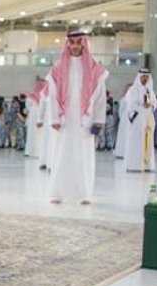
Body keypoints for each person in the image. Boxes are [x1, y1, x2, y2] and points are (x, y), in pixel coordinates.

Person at [45, 30, 109, 203]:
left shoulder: (95, 69)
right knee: (61, 154)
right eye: (72, 43)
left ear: (84, 44)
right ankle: (57, 193)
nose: (75, 46)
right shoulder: (58, 68)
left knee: (84, 156)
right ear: (68, 45)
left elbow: (101, 98)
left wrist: (98, 120)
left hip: (85, 122)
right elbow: (51, 96)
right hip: (64, 120)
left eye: (78, 43)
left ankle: (84, 194)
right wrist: (54, 119)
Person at [120, 69, 157, 173]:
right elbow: (131, 105)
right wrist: (143, 107)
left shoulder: (150, 90)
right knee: (136, 143)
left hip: (148, 121)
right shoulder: (133, 90)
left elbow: (155, 103)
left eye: (146, 77)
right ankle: (134, 165)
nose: (145, 79)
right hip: (137, 121)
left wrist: (150, 106)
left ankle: (147, 165)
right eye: (143, 76)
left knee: (148, 142)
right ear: (139, 77)